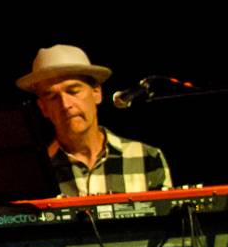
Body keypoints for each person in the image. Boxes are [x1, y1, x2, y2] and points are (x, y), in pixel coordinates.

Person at [16, 44, 171, 197]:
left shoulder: (147, 158)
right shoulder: (34, 173)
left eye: (73, 91)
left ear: (96, 92)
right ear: (43, 107)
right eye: (52, 97)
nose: (65, 104)